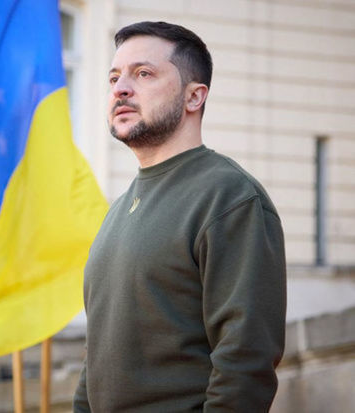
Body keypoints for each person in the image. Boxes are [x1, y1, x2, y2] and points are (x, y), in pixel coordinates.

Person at [73, 21, 286, 412]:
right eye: (115, 77)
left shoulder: (229, 196)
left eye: (143, 74)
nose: (121, 89)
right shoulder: (117, 210)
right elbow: (98, 358)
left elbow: (245, 359)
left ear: (194, 97)